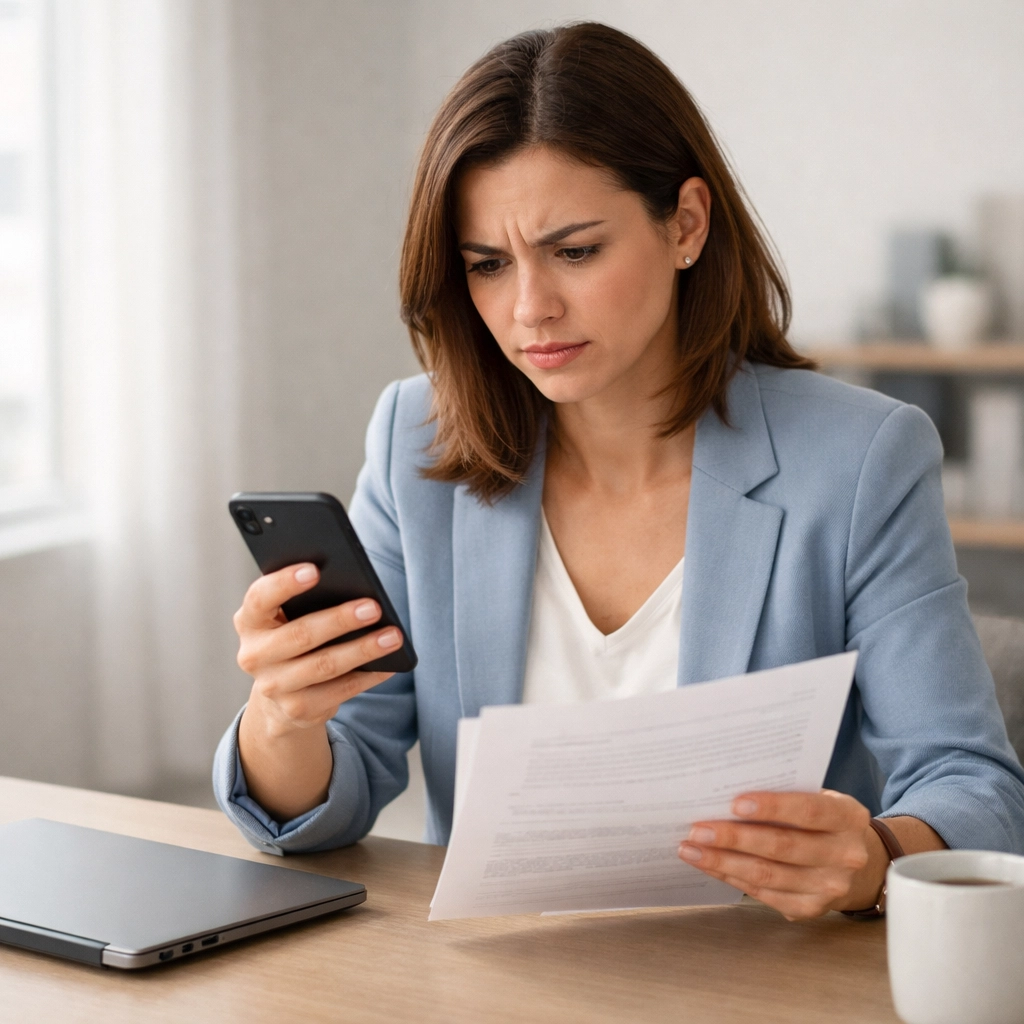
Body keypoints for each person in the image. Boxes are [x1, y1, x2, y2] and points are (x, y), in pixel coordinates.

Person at [214, 22, 1024, 920]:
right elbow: (335, 794)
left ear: (686, 224)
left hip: (756, 973)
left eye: (575, 251)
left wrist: (876, 856)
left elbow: (975, 788)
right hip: (494, 976)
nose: (530, 308)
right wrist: (283, 716)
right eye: (488, 265)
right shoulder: (418, 442)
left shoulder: (861, 458)